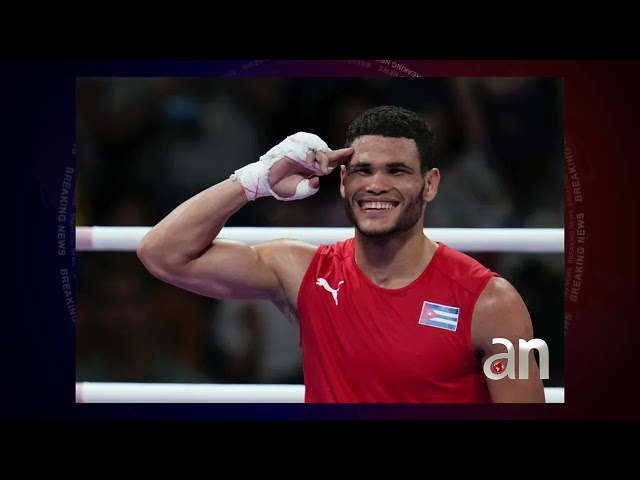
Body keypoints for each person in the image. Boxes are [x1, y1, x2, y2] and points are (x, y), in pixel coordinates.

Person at [137, 105, 546, 403]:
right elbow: (163, 254)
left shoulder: (492, 302)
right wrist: (256, 179)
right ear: (343, 181)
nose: (377, 185)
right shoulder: (303, 271)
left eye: (397, 171)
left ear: (430, 184)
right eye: (364, 171)